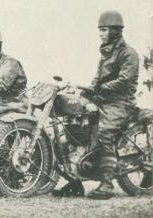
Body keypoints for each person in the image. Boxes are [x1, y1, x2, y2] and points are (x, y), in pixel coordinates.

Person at [78, 10, 138, 200]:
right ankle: (76, 177)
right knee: (79, 124)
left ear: (115, 30)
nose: (101, 34)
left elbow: (124, 80)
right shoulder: (106, 52)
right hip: (105, 99)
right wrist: (89, 89)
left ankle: (107, 184)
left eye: (104, 30)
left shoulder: (129, 53)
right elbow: (98, 76)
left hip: (121, 102)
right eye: (100, 30)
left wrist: (101, 88)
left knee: (105, 133)